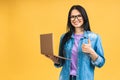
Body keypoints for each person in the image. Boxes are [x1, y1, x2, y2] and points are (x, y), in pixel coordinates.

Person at [49, 5, 105, 80]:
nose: (75, 19)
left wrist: (91, 52)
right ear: (69, 19)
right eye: (72, 17)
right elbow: (61, 63)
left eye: (79, 16)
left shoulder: (94, 37)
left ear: (84, 17)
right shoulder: (64, 37)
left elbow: (101, 63)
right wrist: (54, 59)